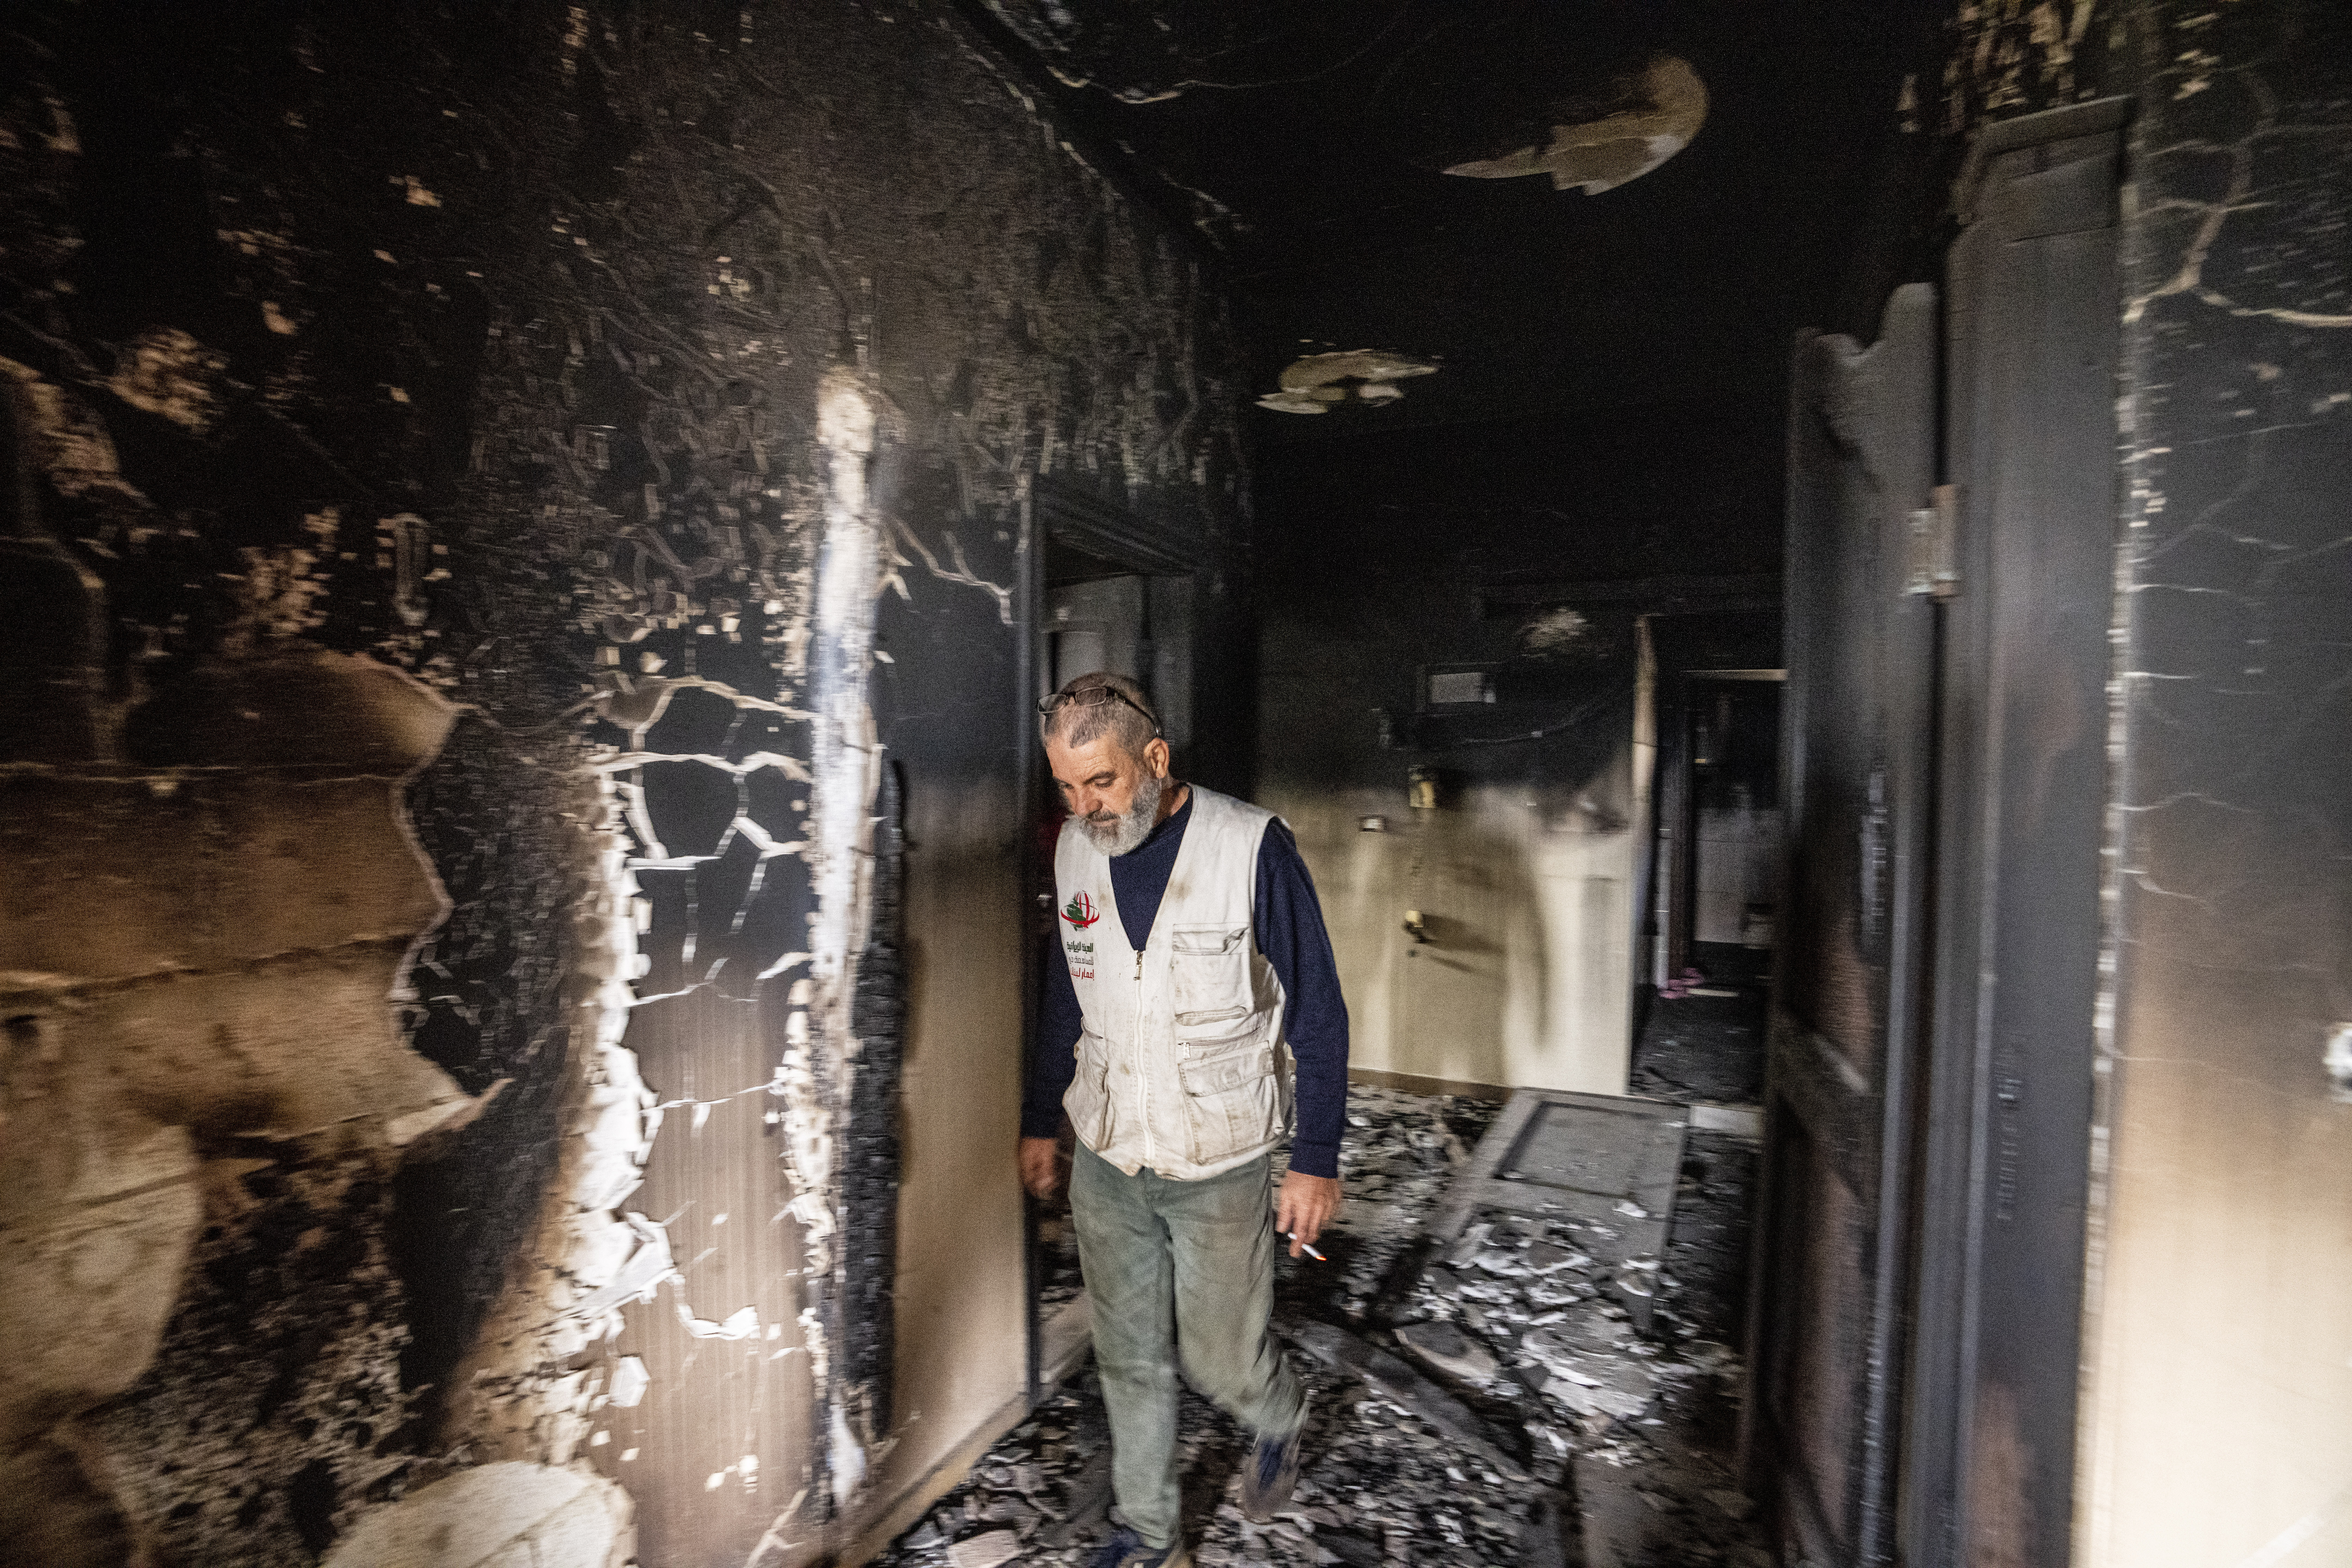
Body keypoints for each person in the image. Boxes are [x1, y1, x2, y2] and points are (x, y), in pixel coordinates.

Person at [1020, 671, 1350, 1568]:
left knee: (1220, 1359)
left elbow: (1318, 1010)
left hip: (1220, 1157)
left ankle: (1279, 1412)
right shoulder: (1074, 855)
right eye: (1067, 788)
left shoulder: (1252, 849)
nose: (1085, 807)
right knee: (1127, 1358)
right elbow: (1066, 998)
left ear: (1155, 759)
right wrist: (1039, 1118)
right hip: (1109, 1152)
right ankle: (1151, 1535)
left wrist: (1315, 1159)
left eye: (1103, 782)